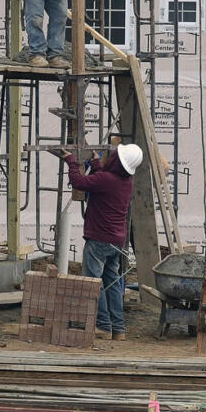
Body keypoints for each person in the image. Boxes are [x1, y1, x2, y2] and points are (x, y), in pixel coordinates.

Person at [58, 142, 143, 341]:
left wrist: (71, 162)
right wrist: (96, 162)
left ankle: (103, 326)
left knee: (94, 283)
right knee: (112, 283)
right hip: (116, 241)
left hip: (99, 240)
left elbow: (80, 182)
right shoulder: (125, 181)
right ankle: (118, 328)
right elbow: (102, 180)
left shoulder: (107, 179)